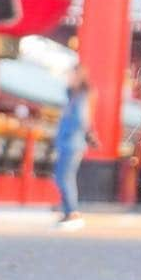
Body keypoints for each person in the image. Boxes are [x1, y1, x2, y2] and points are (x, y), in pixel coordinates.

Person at [53, 63, 97, 229]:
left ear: (77, 77)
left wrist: (65, 134)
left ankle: (72, 212)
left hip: (72, 143)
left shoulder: (80, 97)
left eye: (70, 75)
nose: (68, 78)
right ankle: (67, 211)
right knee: (61, 177)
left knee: (65, 178)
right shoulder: (72, 96)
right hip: (67, 143)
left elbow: (81, 120)